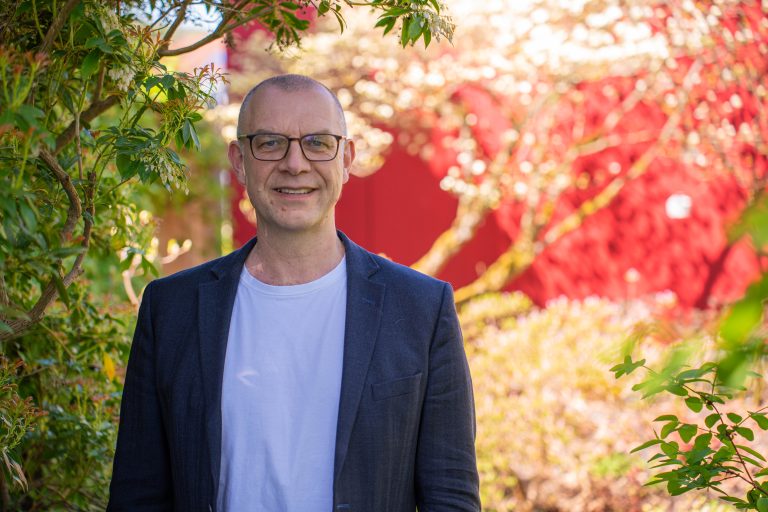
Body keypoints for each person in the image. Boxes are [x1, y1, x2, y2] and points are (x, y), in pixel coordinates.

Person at [107, 74, 480, 512]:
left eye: (318, 142)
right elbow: (138, 496)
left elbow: (451, 497)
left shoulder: (421, 309)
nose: (295, 164)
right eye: (269, 143)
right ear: (240, 161)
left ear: (346, 158)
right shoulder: (172, 309)